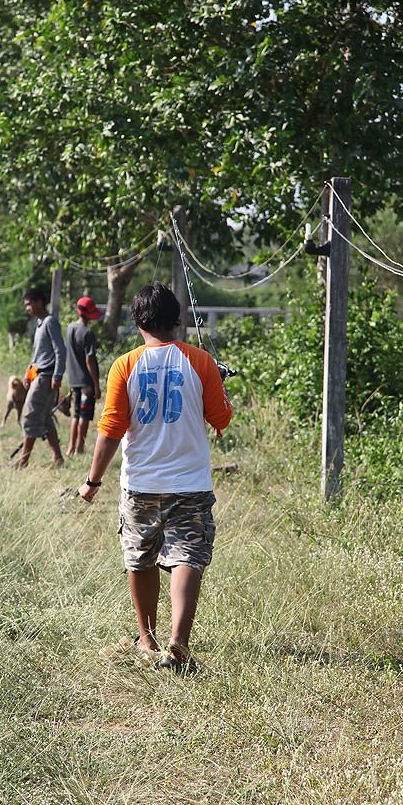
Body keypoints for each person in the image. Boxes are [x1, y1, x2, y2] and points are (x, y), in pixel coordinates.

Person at [78, 283, 232, 673]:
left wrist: (93, 481)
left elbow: (112, 428)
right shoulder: (200, 362)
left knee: (140, 559)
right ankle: (177, 642)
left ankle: (146, 640)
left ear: (139, 320)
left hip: (140, 483)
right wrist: (221, 388)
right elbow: (221, 418)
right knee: (188, 557)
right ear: (175, 318)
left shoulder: (125, 365)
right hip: (191, 484)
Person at [18, 287, 66, 468]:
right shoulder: (39, 324)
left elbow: (60, 350)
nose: (27, 308)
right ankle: (58, 458)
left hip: (46, 377)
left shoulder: (50, 322)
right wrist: (28, 371)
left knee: (29, 416)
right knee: (45, 418)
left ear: (39, 302)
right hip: (38, 375)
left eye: (29, 304)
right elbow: (38, 354)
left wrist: (58, 375)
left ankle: (23, 461)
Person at [65, 296, 103, 456]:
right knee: (85, 415)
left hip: (73, 380)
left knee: (76, 414)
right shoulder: (87, 333)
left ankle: (70, 448)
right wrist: (96, 385)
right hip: (86, 382)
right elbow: (89, 360)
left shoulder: (70, 328)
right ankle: (79, 447)